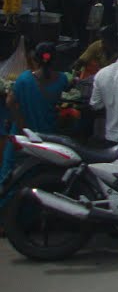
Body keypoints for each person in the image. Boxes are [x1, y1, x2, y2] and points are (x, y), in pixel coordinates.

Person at [1, 42, 69, 186]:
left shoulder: (24, 79)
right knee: (38, 177)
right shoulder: (62, 79)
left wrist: (20, 123)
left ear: (35, 59)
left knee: (9, 176)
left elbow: (10, 102)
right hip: (47, 138)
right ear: (55, 60)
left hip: (23, 135)